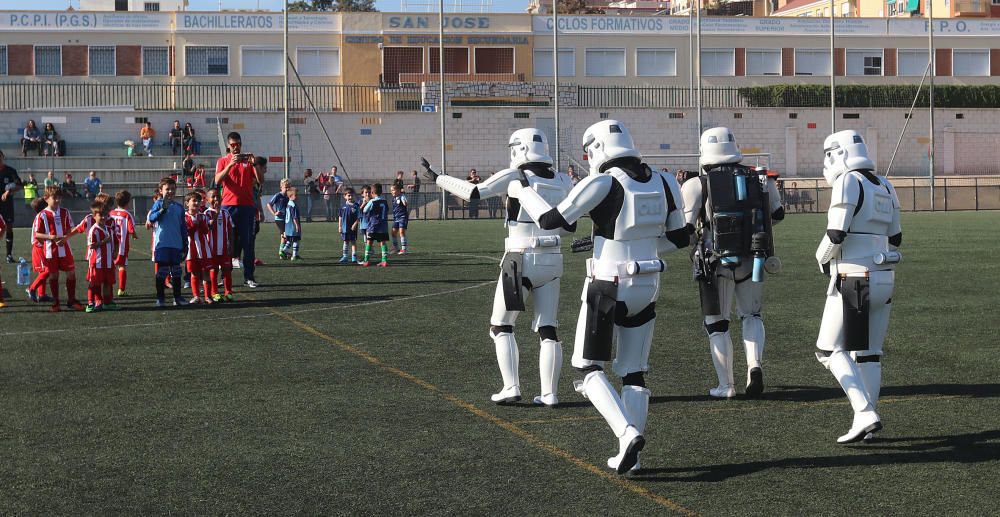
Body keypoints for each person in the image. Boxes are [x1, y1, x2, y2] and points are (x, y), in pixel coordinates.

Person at [509, 120, 689, 474]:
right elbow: (681, 238)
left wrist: (520, 192)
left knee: (588, 367)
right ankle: (633, 455)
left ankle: (626, 435)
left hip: (608, 283)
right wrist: (627, 245)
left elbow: (550, 220)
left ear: (595, 149)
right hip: (649, 282)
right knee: (634, 372)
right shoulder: (667, 181)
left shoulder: (603, 181)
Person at [421, 128, 574, 408]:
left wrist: (439, 178)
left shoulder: (517, 176)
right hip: (552, 259)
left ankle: (511, 386)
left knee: (500, 325)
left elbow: (474, 192)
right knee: (548, 329)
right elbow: (570, 223)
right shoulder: (564, 180)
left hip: (520, 258)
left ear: (519, 148)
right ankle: (550, 393)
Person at [681, 127, 784, 399]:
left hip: (714, 262)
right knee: (751, 315)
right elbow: (778, 214)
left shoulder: (696, 184)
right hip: (754, 258)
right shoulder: (760, 178)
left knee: (717, 325)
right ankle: (755, 366)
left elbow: (687, 228)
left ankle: (726, 385)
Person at [814, 129, 902, 444]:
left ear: (838, 153)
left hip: (855, 277)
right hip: (885, 277)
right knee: (868, 354)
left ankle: (864, 411)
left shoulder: (848, 182)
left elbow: (836, 233)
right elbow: (896, 237)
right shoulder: (887, 186)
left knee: (828, 349)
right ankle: (865, 421)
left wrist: (821, 257)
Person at [215, 132, 262, 288]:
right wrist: (230, 164)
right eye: (233, 145)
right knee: (226, 244)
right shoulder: (222, 161)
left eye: (238, 145)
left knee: (248, 243)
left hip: (247, 207)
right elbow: (217, 180)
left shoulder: (248, 163)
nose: (236, 148)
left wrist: (254, 163)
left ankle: (249, 277)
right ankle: (224, 277)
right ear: (228, 146)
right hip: (228, 207)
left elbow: (260, 180)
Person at [33, 186, 84, 312]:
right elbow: (37, 234)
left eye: (59, 198)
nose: (57, 200)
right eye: (54, 198)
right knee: (53, 276)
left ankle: (71, 300)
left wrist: (66, 238)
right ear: (46, 198)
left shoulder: (65, 212)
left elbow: (71, 228)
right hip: (50, 251)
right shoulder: (42, 215)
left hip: (65, 248)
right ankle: (56, 302)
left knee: (71, 273)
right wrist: (51, 237)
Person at [149, 177, 187, 306]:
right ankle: (160, 298)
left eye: (172, 189)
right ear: (161, 191)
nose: (170, 191)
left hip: (176, 245)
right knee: (162, 272)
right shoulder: (158, 203)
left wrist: (185, 245)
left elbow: (183, 227)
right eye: (167, 189)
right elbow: (151, 218)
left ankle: (177, 298)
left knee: (176, 272)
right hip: (163, 244)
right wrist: (162, 210)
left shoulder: (179, 207)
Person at [85, 201, 118, 313]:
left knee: (108, 283)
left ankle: (107, 302)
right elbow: (92, 245)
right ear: (94, 216)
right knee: (94, 282)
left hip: (109, 261)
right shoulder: (93, 230)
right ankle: (91, 302)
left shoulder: (110, 229)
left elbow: (116, 241)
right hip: (97, 261)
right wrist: (104, 241)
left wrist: (115, 252)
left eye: (105, 214)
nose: (103, 217)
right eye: (100, 215)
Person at [184, 191, 214, 304]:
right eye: (193, 200)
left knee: (206, 272)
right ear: (187, 203)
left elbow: (206, 231)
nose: (196, 202)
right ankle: (196, 296)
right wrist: (194, 225)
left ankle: (208, 296)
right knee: (194, 273)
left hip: (204, 249)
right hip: (191, 250)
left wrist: (201, 224)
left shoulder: (203, 216)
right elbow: (187, 232)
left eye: (198, 200)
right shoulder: (184, 217)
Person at [205, 189, 235, 302]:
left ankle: (228, 292)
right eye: (213, 197)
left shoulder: (226, 213)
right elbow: (210, 227)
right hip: (212, 249)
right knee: (214, 270)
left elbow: (230, 230)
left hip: (224, 249)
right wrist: (217, 212)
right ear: (208, 200)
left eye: (218, 196)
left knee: (227, 270)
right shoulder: (206, 213)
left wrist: (231, 245)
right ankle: (214, 292)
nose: (216, 199)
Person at [109, 191, 138, 297]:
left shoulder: (111, 213)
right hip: (121, 246)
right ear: (128, 202)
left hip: (110, 245)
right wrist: (134, 235)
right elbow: (131, 229)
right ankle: (121, 289)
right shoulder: (127, 215)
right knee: (122, 267)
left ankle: (109, 288)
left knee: (110, 266)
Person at [25, 198, 53, 303]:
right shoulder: (41, 216)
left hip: (43, 246)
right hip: (39, 247)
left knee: (43, 271)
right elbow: (37, 235)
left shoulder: (43, 215)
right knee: (47, 270)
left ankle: (41, 295)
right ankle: (31, 288)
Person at [1, 149, 24, 263]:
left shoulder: (10, 171)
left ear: (3, 157)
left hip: (6, 204)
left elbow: (20, 185)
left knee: (9, 226)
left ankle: (9, 255)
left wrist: (8, 191)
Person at [360, 183, 390, 267]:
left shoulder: (372, 201)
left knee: (369, 242)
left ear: (372, 192)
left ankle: (366, 260)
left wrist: (366, 202)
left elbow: (365, 210)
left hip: (373, 225)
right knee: (383, 243)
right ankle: (384, 261)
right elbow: (387, 210)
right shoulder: (384, 201)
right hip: (383, 226)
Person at [268, 179, 291, 259]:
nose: (287, 189)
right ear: (281, 187)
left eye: (289, 187)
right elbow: (269, 204)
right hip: (279, 219)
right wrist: (274, 213)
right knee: (286, 234)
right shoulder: (278, 195)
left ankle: (282, 253)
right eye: (286, 187)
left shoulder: (288, 196)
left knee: (283, 235)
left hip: (287, 219)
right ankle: (283, 250)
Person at [338, 188, 359, 263]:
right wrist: (340, 226)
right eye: (349, 195)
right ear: (345, 196)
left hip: (352, 228)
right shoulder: (342, 206)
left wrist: (355, 224)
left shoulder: (356, 206)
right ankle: (345, 256)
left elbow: (359, 217)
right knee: (345, 241)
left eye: (352, 195)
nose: (350, 197)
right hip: (344, 228)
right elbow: (340, 217)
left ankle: (354, 256)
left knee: (353, 241)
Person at [280, 187, 302, 261]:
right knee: (296, 240)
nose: (297, 197)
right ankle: (294, 256)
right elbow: (294, 217)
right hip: (293, 226)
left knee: (290, 240)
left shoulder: (288, 204)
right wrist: (297, 225)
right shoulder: (293, 205)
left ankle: (284, 250)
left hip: (288, 227)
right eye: (296, 195)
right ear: (290, 196)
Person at [389, 183, 409, 254]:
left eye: (393, 190)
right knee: (393, 233)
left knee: (401, 232)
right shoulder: (394, 199)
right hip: (396, 218)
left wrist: (404, 201)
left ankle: (404, 249)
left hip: (402, 217)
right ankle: (396, 248)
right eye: (391, 190)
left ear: (398, 190)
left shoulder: (402, 196)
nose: (391, 192)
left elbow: (405, 203)